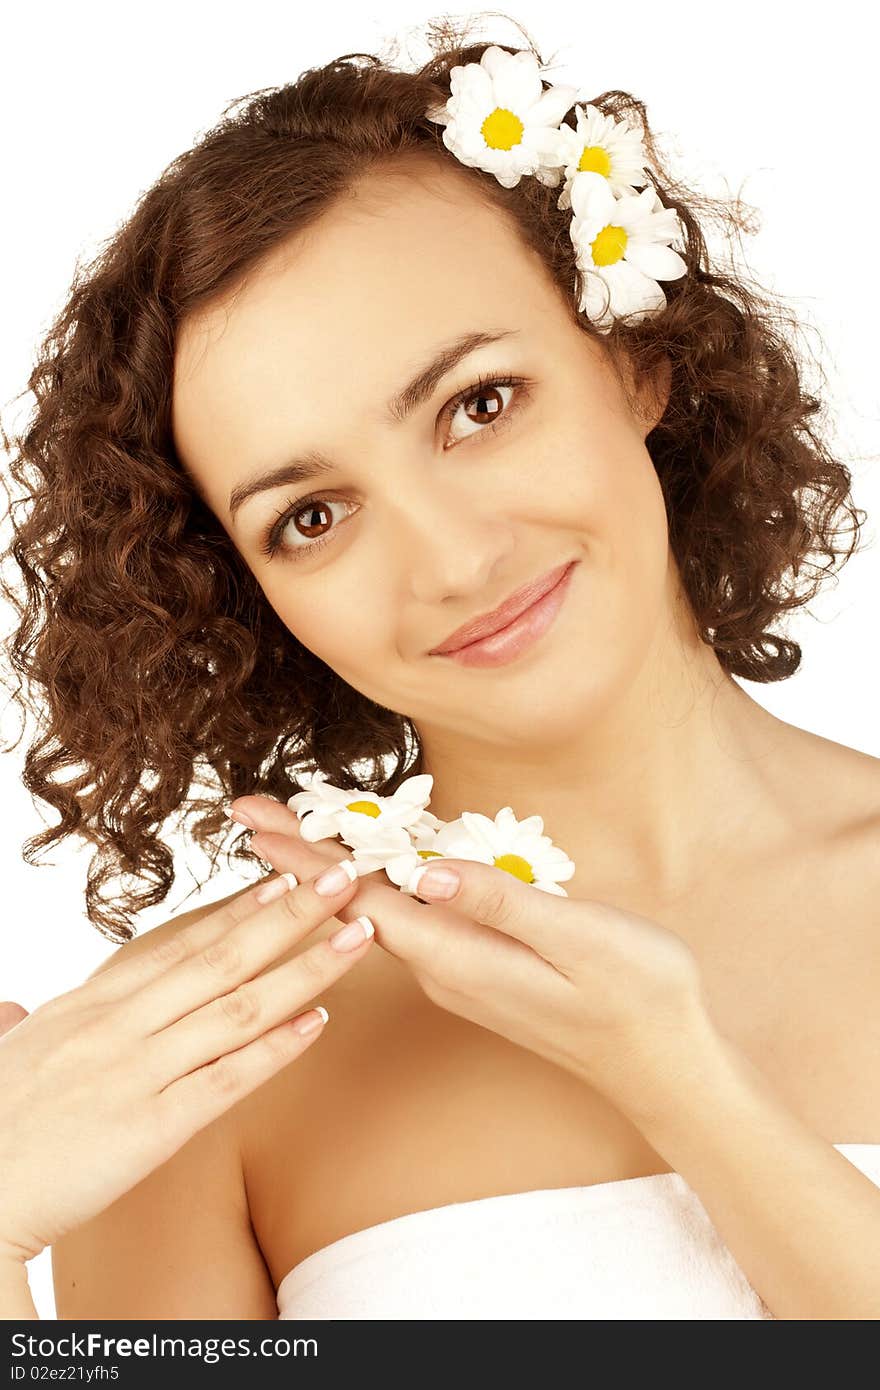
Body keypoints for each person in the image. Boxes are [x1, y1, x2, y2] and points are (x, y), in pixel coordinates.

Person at [2, 16, 879, 1321]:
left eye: (479, 404)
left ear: (634, 355)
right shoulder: (206, 1046)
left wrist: (676, 1070)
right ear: (249, 593)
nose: (453, 561)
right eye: (312, 515)